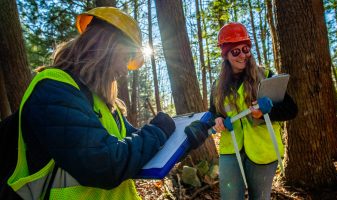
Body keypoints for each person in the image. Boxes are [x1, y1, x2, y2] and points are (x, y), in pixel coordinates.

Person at [7, 7, 208, 200]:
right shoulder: (53, 89)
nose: (126, 69)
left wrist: (185, 142)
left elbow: (136, 156)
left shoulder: (103, 103)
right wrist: (158, 131)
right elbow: (104, 165)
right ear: (106, 45)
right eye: (127, 57)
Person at [210, 22, 298, 200]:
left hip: (262, 151)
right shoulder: (217, 85)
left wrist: (269, 111)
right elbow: (213, 112)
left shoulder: (266, 76)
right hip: (231, 148)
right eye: (236, 51)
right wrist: (218, 120)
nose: (242, 55)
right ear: (225, 54)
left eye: (246, 49)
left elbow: (291, 110)